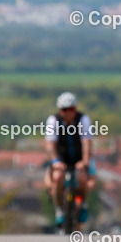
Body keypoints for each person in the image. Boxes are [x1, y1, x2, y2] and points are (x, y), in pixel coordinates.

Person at [44, 92, 96, 228]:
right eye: (64, 110)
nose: (68, 113)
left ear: (75, 108)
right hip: (61, 157)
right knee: (57, 177)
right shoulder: (53, 121)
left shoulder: (83, 119)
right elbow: (50, 145)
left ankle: (83, 203)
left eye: (71, 109)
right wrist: (55, 161)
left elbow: (86, 142)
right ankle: (59, 210)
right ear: (60, 110)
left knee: (83, 178)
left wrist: (85, 161)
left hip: (78, 157)